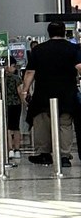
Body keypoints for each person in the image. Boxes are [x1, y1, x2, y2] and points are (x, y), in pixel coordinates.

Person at [18, 20, 79, 167]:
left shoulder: (38, 50)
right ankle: (64, 156)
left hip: (43, 93)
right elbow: (79, 66)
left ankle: (44, 154)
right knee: (65, 124)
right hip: (67, 92)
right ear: (64, 32)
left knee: (42, 124)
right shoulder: (73, 48)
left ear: (49, 33)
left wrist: (25, 90)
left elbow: (30, 72)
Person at [4, 56, 25, 161]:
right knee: (16, 127)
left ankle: (10, 149)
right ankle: (17, 149)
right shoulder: (16, 78)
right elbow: (20, 92)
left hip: (4, 104)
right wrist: (24, 102)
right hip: (16, 104)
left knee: (7, 128)